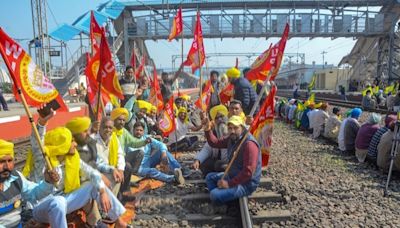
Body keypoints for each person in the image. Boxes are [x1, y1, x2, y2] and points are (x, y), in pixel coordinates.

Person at [27, 127, 127, 228]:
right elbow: (37, 143)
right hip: (42, 207)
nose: (75, 144)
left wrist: (102, 192)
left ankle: (118, 221)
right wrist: (42, 123)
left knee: (93, 184)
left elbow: (92, 173)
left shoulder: (73, 159)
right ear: (62, 145)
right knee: (58, 202)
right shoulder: (43, 160)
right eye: (71, 141)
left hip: (65, 200)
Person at [203, 115, 261, 204]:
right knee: (209, 177)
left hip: (246, 183)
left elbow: (248, 172)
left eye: (235, 128)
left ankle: (223, 199)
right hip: (234, 174)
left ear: (242, 127)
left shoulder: (249, 144)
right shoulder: (232, 138)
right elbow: (215, 143)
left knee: (214, 195)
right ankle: (226, 201)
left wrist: (229, 184)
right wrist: (208, 129)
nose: (232, 131)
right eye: (230, 128)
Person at [0, 139, 57, 227]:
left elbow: (33, 193)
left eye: (10, 161)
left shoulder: (15, 177)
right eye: (2, 161)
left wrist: (48, 182)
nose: (7, 166)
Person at [110, 107, 151, 193]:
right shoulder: (109, 131)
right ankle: (124, 189)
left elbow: (133, 142)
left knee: (140, 153)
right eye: (119, 120)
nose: (122, 122)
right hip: (110, 159)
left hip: (121, 158)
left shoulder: (124, 132)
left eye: (123, 120)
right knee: (127, 166)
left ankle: (131, 178)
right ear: (114, 120)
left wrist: (144, 142)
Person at [192, 105, 229, 176]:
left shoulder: (232, 130)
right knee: (203, 162)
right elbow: (207, 148)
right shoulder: (214, 132)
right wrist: (198, 160)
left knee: (219, 165)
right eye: (217, 118)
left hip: (230, 163)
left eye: (222, 116)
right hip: (218, 161)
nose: (220, 119)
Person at [94, 117, 125, 195]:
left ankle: (112, 201)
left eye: (110, 128)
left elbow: (120, 154)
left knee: (118, 175)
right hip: (97, 172)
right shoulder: (93, 140)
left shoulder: (114, 139)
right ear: (100, 128)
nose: (108, 130)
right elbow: (94, 163)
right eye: (105, 127)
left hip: (110, 169)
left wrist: (120, 170)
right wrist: (113, 170)